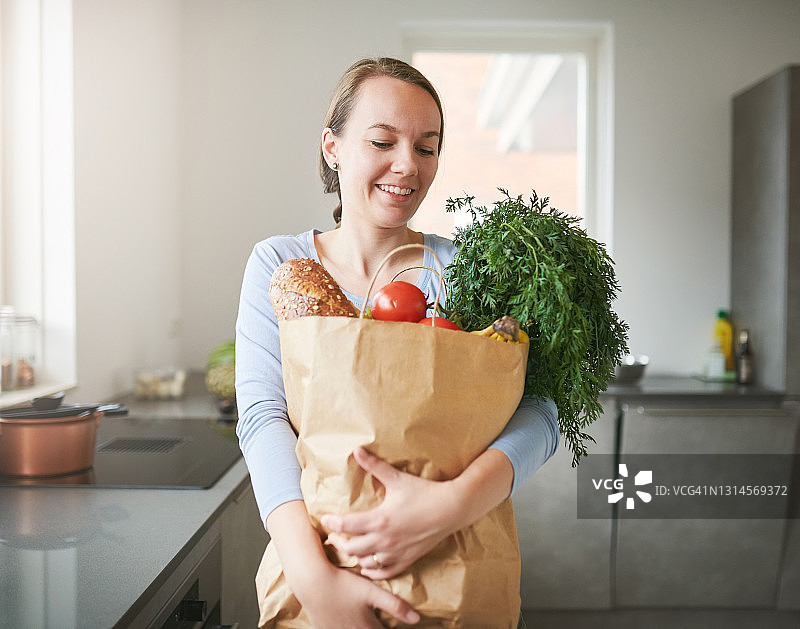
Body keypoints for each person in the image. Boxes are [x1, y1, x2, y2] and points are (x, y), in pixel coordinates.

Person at [235, 57, 559, 629]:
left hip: (452, 565)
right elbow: (264, 417)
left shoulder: (464, 271)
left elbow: (541, 411)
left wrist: (451, 506)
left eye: (427, 148)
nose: (408, 165)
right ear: (333, 148)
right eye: (383, 142)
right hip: (319, 564)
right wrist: (315, 582)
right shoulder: (281, 263)